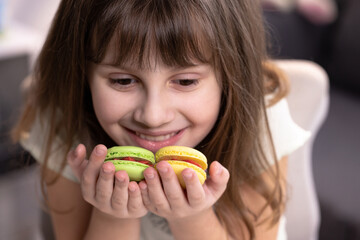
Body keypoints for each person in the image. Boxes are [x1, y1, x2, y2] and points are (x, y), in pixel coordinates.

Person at [12, 0, 310, 239]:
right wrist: (114, 216)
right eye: (123, 80)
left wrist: (192, 218)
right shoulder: (64, 120)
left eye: (185, 81)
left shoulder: (259, 119)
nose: (153, 117)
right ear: (81, 73)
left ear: (232, 76)